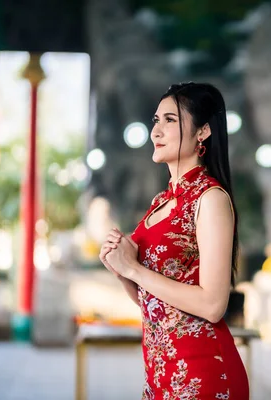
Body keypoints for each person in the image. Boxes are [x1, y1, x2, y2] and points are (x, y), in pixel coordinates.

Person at [99, 82, 249, 399]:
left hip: (202, 373)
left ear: (203, 132)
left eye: (170, 120)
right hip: (159, 371)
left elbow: (212, 305)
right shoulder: (159, 202)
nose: (156, 131)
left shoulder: (210, 199)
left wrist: (135, 270)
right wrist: (120, 269)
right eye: (156, 120)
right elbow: (154, 304)